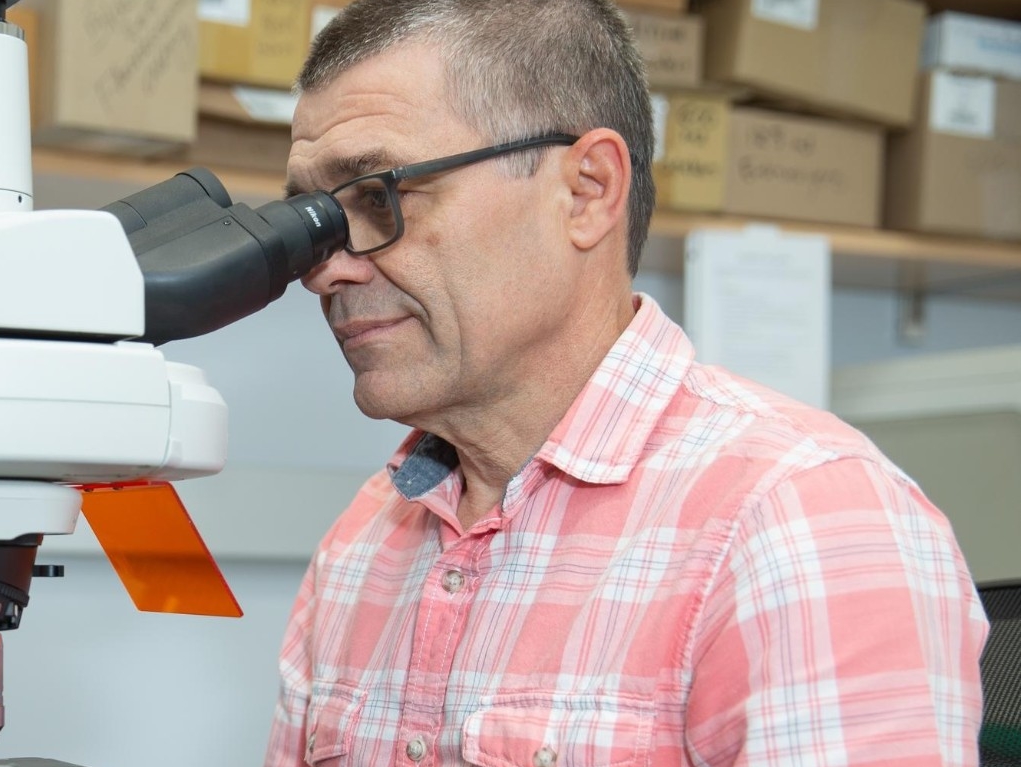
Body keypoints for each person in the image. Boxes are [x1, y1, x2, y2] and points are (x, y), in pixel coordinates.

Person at [267, 0, 988, 764]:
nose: (326, 268)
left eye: (376, 196)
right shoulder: (361, 544)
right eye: (310, 217)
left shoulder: (799, 522)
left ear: (586, 190)